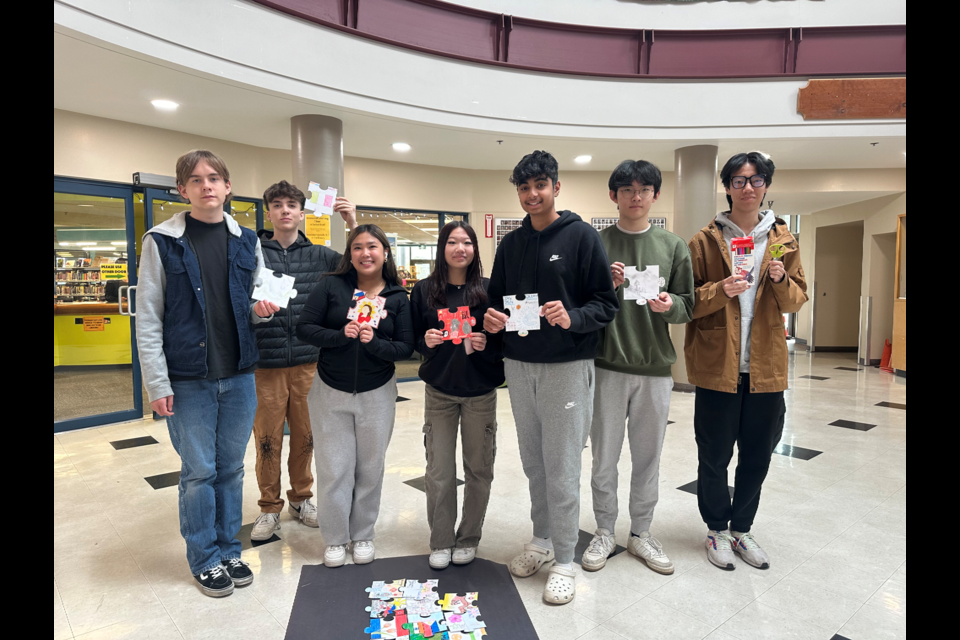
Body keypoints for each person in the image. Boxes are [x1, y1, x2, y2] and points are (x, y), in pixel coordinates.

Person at [136, 149, 277, 597]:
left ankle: (227, 548)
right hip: (187, 377)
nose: (206, 186)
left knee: (232, 469)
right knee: (199, 471)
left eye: (214, 178)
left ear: (228, 185)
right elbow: (148, 316)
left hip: (238, 374)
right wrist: (156, 383)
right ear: (182, 190)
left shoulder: (246, 240)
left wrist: (262, 311)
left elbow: (253, 305)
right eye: (195, 180)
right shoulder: (161, 241)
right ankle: (204, 557)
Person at [484, 151, 618, 604]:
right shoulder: (510, 244)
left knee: (562, 464)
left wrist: (573, 316)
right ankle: (541, 540)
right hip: (520, 368)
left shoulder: (582, 237)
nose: (531, 195)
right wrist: (495, 321)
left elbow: (605, 303)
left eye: (540, 185)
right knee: (534, 462)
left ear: (556, 187)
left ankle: (565, 559)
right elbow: (497, 302)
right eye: (524, 188)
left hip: (566, 367)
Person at [685, 151, 807, 571]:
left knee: (758, 453)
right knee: (714, 453)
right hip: (719, 364)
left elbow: (797, 299)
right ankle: (716, 528)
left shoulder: (783, 239)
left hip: (766, 365)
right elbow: (689, 302)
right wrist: (722, 289)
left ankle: (742, 529)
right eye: (738, 180)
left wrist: (780, 278)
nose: (748, 188)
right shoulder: (704, 241)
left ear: (766, 186)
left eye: (755, 180)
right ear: (727, 187)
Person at [583, 160, 694, 575]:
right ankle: (605, 530)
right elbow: (580, 303)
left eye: (644, 189)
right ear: (613, 195)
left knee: (649, 457)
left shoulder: (673, 246)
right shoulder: (596, 243)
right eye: (626, 189)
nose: (635, 196)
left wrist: (670, 306)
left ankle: (642, 532)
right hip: (606, 366)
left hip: (654, 370)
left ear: (655, 195)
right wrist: (604, 288)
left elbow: (688, 304)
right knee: (604, 457)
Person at [296, 224, 415, 567]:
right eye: (358, 247)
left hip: (377, 393)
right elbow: (305, 327)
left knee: (370, 468)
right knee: (334, 468)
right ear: (350, 254)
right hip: (330, 390)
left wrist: (374, 343)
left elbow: (405, 347)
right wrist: (340, 334)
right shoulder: (331, 286)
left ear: (385, 253)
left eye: (373, 246)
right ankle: (335, 539)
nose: (365, 253)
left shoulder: (397, 297)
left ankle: (362, 534)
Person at [249, 181, 358, 542]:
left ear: (301, 211)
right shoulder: (251, 254)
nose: (284, 210)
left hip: (310, 363)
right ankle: (268, 507)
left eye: (291, 204)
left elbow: (360, 265)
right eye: (277, 204)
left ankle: (302, 498)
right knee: (267, 439)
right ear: (269, 212)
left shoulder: (321, 256)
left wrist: (352, 222)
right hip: (265, 362)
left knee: (307, 436)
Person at [411, 221, 504, 570]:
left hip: (480, 392)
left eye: (467, 242)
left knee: (479, 468)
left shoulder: (489, 289)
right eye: (452, 242)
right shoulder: (423, 290)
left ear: (475, 249)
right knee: (439, 470)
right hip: (440, 392)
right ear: (442, 248)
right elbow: (414, 340)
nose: (460, 248)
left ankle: (468, 538)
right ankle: (441, 540)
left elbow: (503, 338)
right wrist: (428, 343)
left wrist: (486, 343)